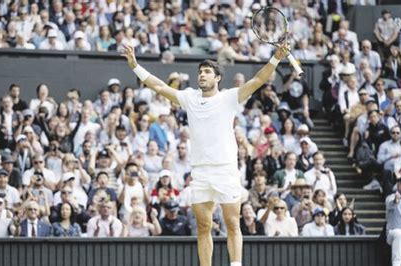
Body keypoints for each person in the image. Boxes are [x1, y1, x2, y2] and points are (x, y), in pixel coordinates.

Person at [122, 41, 290, 266]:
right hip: (200, 173)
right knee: (203, 226)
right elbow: (160, 87)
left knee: (232, 223)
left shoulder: (229, 97)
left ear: (217, 78)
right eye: (200, 72)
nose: (202, 75)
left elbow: (258, 80)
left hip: (226, 171)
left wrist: (276, 57)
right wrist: (134, 65)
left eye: (207, 72)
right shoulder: (189, 97)